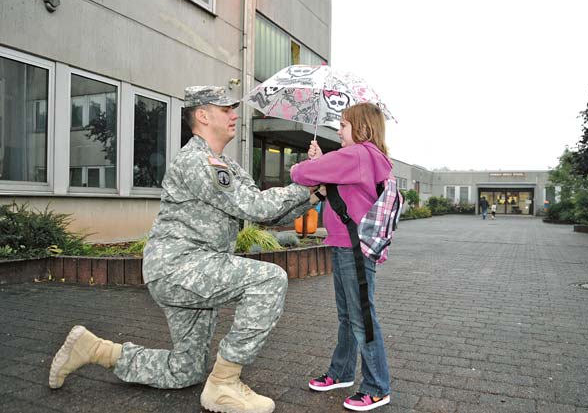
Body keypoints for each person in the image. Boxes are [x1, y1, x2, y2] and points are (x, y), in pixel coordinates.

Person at [49, 85, 321, 413]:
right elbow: (255, 205)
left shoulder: (227, 166)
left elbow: (268, 213)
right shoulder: (199, 161)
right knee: (269, 280)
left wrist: (314, 193)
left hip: (195, 268)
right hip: (179, 267)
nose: (235, 115)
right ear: (203, 116)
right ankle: (223, 384)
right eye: (226, 110)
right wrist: (304, 180)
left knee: (186, 370)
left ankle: (96, 350)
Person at [290, 103, 392, 411]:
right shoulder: (365, 157)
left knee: (361, 318)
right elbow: (337, 181)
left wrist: (309, 165)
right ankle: (342, 372)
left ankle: (376, 386)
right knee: (349, 316)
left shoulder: (359, 154)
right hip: (349, 244)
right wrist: (323, 163)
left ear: (361, 128)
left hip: (352, 247)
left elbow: (302, 174)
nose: (339, 130)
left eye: (344, 125)